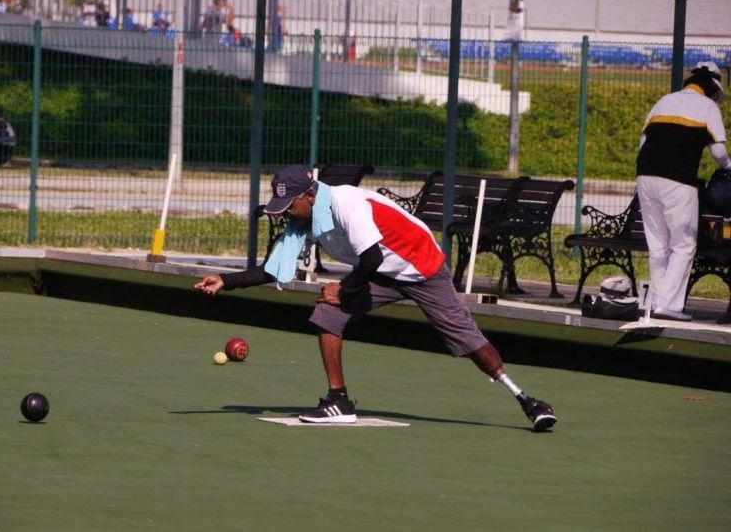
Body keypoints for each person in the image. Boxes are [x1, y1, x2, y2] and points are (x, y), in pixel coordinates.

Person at [194, 164, 558, 431]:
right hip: (383, 271)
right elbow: (275, 269)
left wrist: (345, 289)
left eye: (290, 205)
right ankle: (338, 401)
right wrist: (225, 281)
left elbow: (370, 257)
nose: (286, 212)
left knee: (466, 339)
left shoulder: (347, 205)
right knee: (327, 314)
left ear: (308, 195)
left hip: (423, 268)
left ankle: (525, 399)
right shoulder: (307, 218)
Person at [636, 62, 731, 322]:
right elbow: (718, 151)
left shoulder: (665, 101)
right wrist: (728, 167)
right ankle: (668, 306)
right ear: (712, 88)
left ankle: (655, 302)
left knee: (658, 245)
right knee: (684, 244)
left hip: (645, 176)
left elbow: (643, 141)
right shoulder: (708, 107)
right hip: (678, 180)